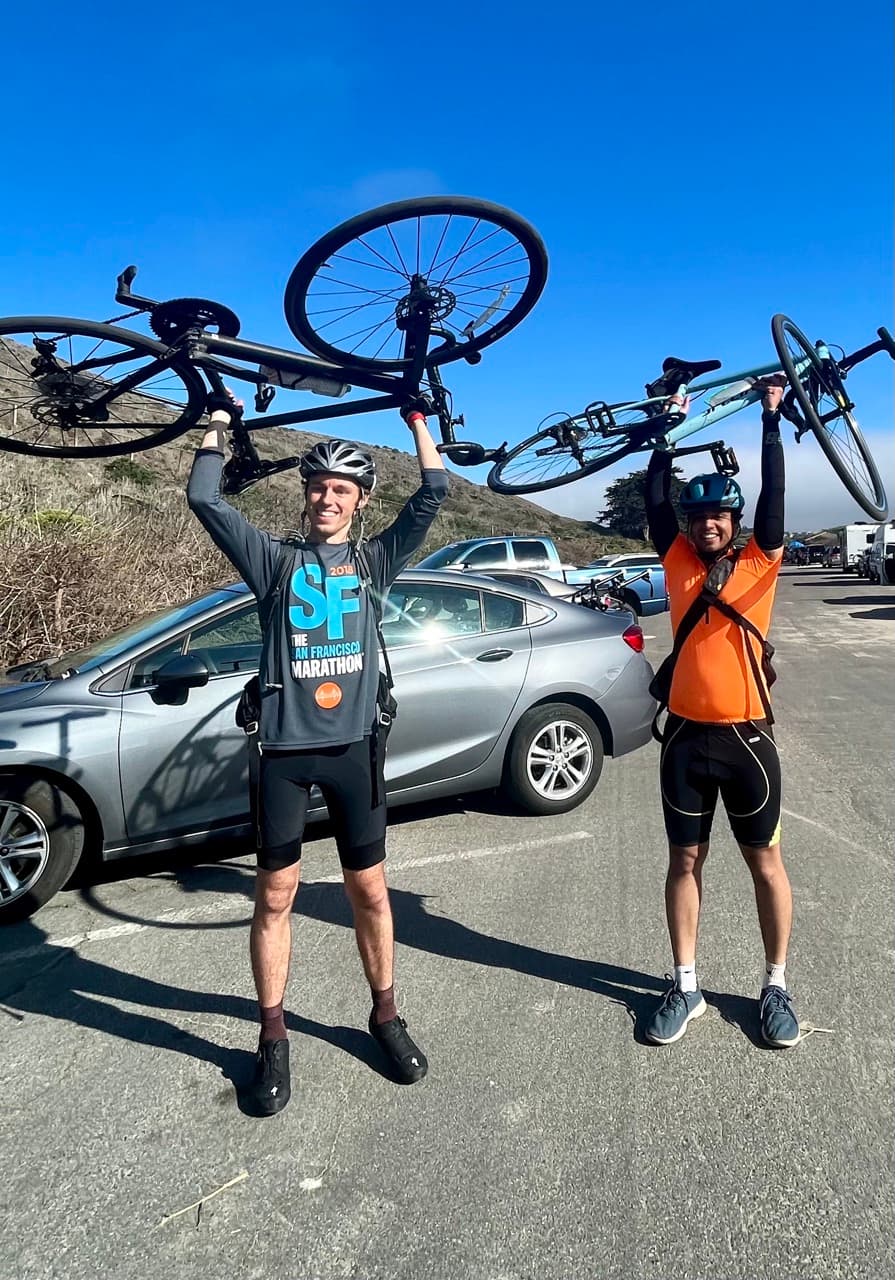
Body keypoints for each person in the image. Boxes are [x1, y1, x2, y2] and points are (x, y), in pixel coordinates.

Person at [187, 401, 448, 1114]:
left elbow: (432, 493)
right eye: (318, 486)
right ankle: (272, 1037)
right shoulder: (274, 563)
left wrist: (417, 419)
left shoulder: (373, 562)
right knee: (275, 896)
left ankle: (385, 1016)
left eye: (342, 489)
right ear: (304, 494)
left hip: (354, 752)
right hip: (285, 753)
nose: (327, 497)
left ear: (359, 502)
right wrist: (215, 419)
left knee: (369, 890)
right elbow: (203, 496)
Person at [642, 378, 800, 1049]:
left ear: (733, 524)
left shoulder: (761, 560)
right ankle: (685, 986)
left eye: (719, 517)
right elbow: (654, 493)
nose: (708, 524)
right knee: (684, 862)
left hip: (745, 740)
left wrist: (770, 418)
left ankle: (775, 985)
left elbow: (774, 498)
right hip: (683, 739)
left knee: (764, 863)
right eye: (698, 517)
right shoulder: (675, 558)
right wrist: (663, 425)